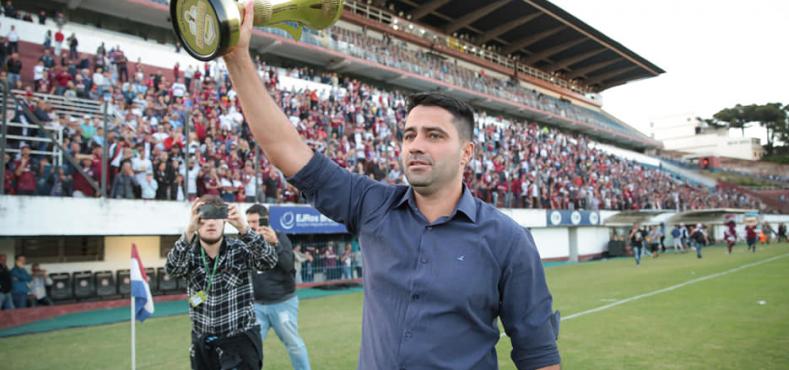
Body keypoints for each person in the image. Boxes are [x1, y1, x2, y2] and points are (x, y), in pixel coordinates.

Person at [222, 4, 561, 368]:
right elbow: (286, 150)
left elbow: (537, 354)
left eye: (434, 135)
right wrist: (237, 57)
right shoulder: (372, 205)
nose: (416, 144)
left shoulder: (507, 240)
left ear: (467, 153)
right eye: (409, 134)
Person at [165, 195, 277, 370]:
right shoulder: (188, 255)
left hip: (239, 341)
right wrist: (188, 231)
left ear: (224, 221)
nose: (211, 223)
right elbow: (172, 269)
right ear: (196, 221)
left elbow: (269, 261)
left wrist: (244, 228)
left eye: (216, 216)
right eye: (204, 216)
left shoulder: (240, 249)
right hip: (203, 343)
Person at [246, 204, 311, 370]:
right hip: (258, 306)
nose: (251, 226)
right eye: (249, 222)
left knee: (294, 346)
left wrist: (275, 244)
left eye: (254, 221)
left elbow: (288, 266)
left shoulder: (280, 238)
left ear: (264, 220)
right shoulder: (248, 242)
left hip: (282, 304)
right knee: (249, 347)